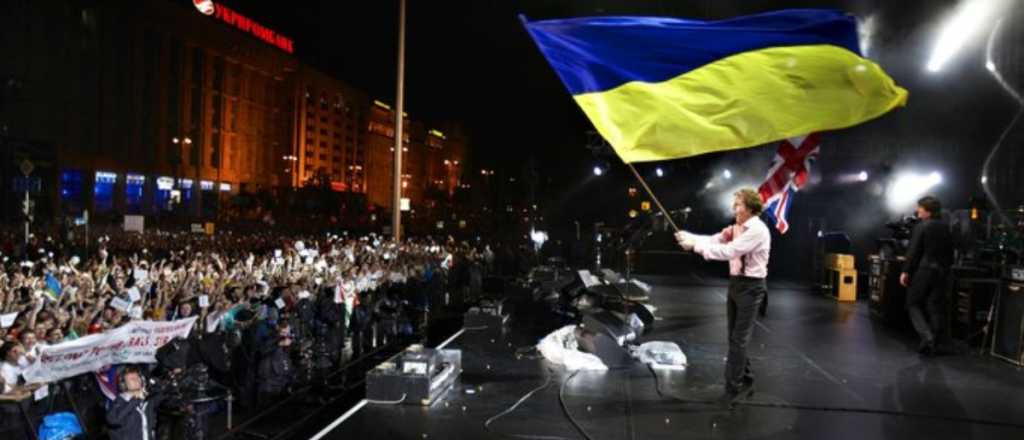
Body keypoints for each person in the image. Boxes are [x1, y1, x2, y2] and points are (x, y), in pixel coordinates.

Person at [675, 188, 770, 404]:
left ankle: (733, 388)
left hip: (752, 288)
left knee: (738, 340)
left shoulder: (757, 230)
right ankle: (746, 380)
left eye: (738, 204)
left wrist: (695, 247)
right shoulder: (736, 227)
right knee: (734, 339)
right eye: (735, 203)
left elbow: (730, 251)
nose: (734, 208)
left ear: (751, 208)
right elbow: (715, 240)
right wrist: (689, 237)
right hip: (737, 284)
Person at [899, 195, 954, 355]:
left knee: (912, 303)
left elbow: (913, 251)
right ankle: (935, 341)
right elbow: (950, 252)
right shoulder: (945, 227)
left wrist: (905, 271)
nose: (917, 210)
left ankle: (927, 337)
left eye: (920, 208)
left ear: (928, 212)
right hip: (942, 271)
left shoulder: (922, 226)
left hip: (925, 270)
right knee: (934, 305)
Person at [106, 366, 162, 440]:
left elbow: (165, 398)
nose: (136, 380)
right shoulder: (119, 403)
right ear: (124, 384)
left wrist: (157, 383)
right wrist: (135, 400)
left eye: (138, 377)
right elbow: (113, 420)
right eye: (132, 379)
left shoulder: (148, 399)